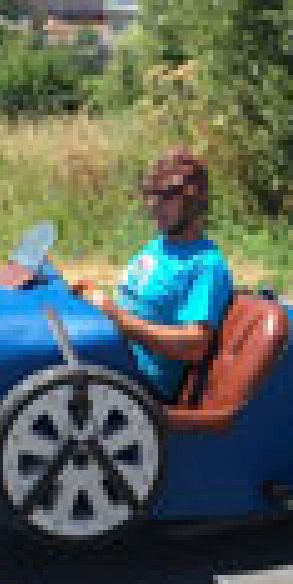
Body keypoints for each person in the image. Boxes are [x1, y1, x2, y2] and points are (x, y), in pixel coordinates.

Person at [86, 149, 233, 401]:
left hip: (139, 388)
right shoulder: (159, 245)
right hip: (110, 361)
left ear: (193, 202)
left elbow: (195, 345)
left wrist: (118, 319)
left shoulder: (205, 264)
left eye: (166, 198)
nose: (154, 206)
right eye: (153, 197)